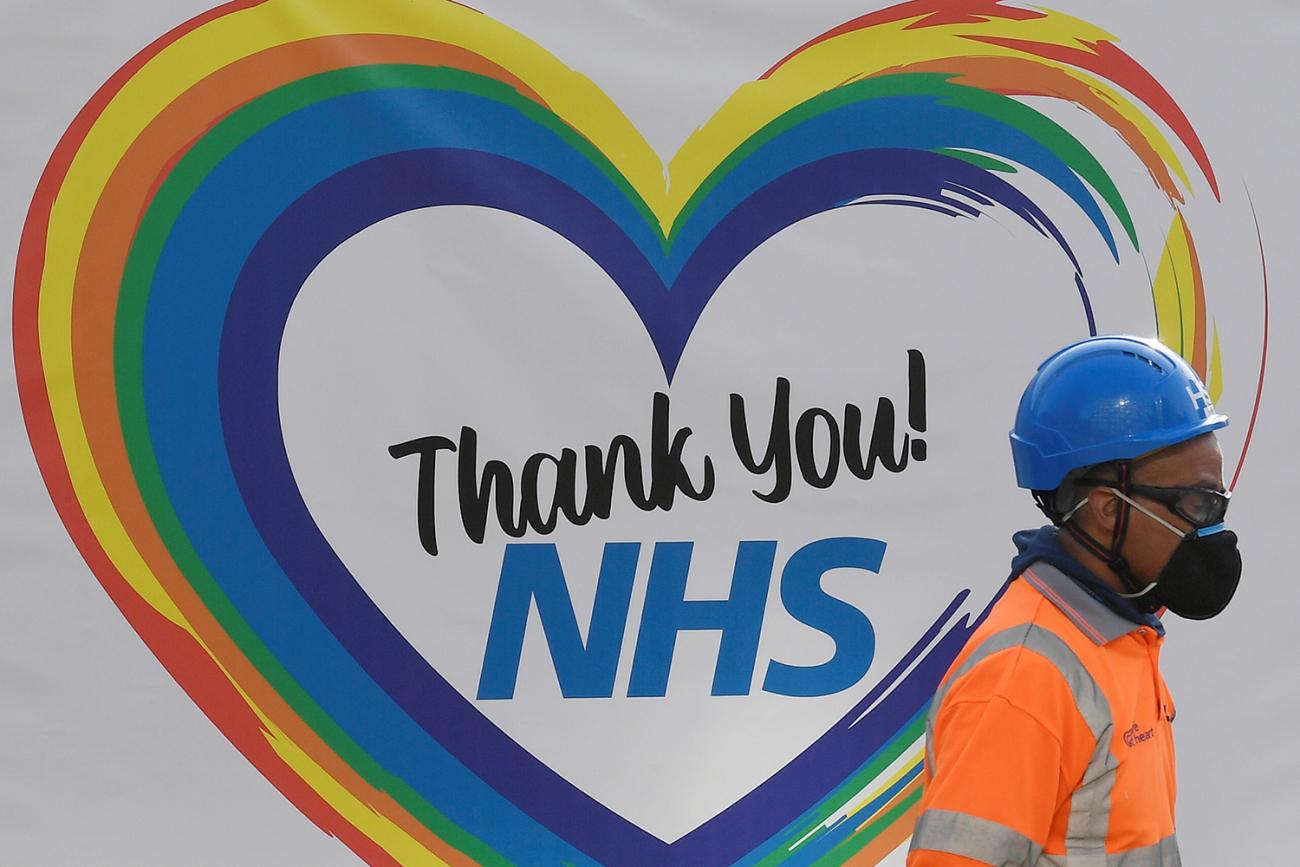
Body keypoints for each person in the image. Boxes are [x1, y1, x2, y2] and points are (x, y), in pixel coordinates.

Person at [906, 335, 1243, 866]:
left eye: (1220, 500)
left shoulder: (1119, 635)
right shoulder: (1023, 678)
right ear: (1109, 509)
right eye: (1199, 503)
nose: (1215, 528)